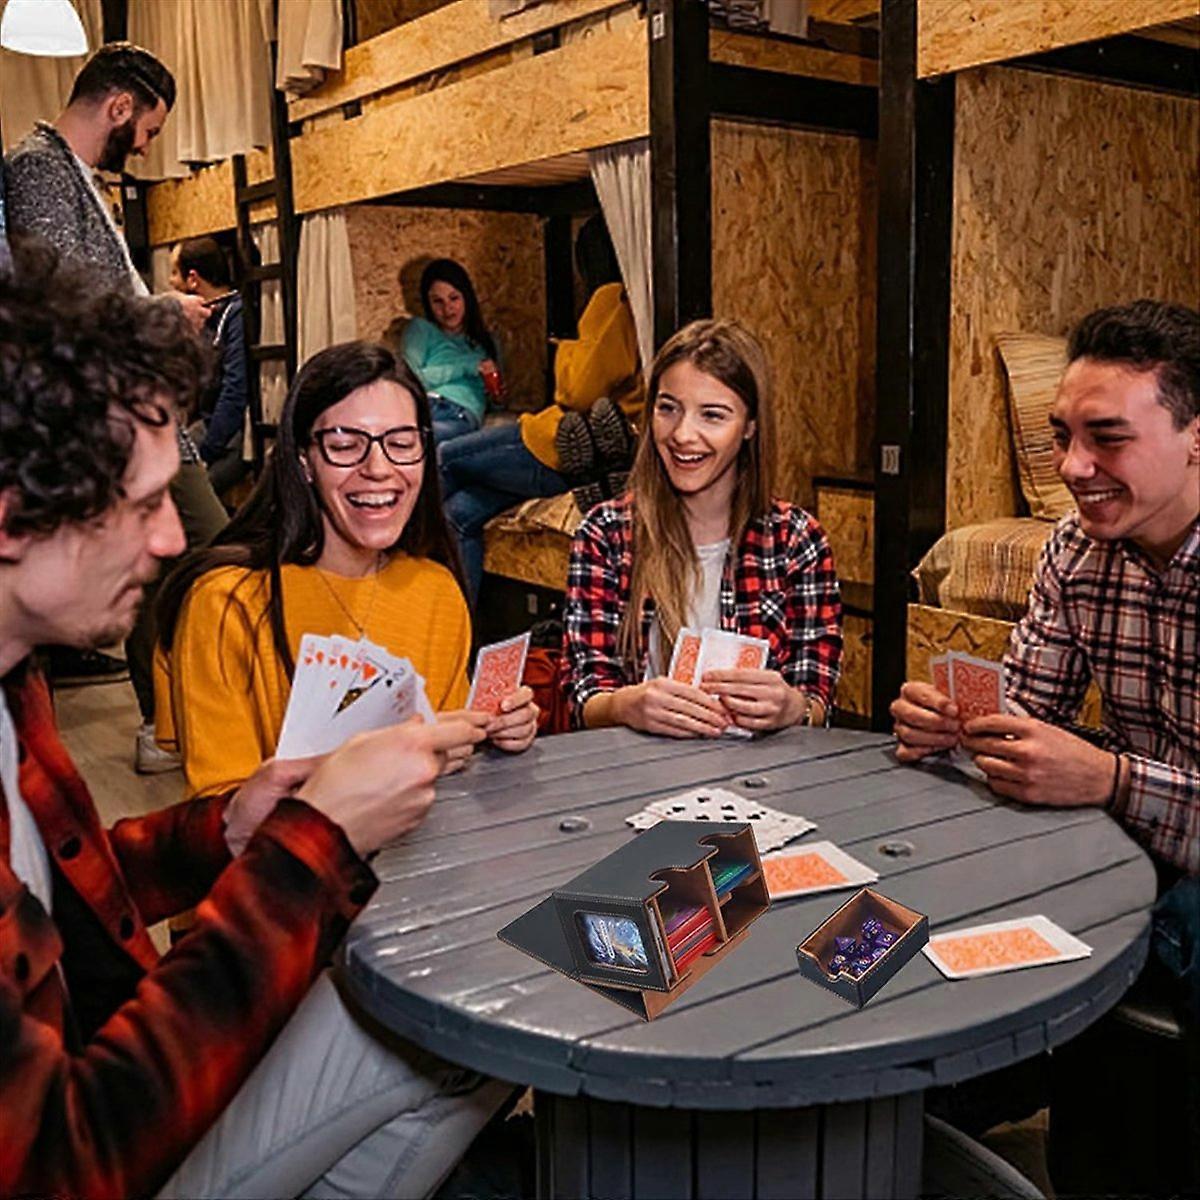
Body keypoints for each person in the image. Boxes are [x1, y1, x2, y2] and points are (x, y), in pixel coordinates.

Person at [0, 248, 508, 1198]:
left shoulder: (17, 691)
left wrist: (224, 828)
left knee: (467, 1025)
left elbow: (71, 888)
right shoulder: (229, 599)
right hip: (110, 1141)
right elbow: (60, 1166)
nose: (167, 539)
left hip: (157, 1019)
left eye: (405, 445)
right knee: (451, 1035)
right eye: (144, 502)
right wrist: (308, 841)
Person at [890, 300, 1199, 1190]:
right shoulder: (1071, 549)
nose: (1072, 468)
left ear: (1195, 437)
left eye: (1106, 438)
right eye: (1064, 435)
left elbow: (1105, 778)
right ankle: (908, 1115)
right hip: (1134, 831)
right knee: (942, 878)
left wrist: (1105, 777)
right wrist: (957, 726)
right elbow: (1024, 706)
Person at [155, 339, 540, 801]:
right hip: (290, 866)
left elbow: (449, 755)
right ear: (304, 461)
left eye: (401, 444)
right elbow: (224, 814)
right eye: (344, 445)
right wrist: (403, 755)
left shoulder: (436, 589)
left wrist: (494, 728)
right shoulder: (226, 602)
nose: (378, 469)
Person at [2, 42, 226, 767]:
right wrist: (161, 310)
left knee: (174, 557)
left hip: (127, 411)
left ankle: (165, 720)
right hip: (104, 416)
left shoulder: (71, 175)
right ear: (121, 105)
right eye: (150, 129)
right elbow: (56, 296)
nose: (147, 144)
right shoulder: (38, 168)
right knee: (208, 550)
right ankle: (168, 718)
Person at [564, 318, 843, 736]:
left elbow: (818, 698)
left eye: (712, 415)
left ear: (750, 427)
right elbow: (584, 696)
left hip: (762, 779)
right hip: (633, 776)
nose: (682, 435)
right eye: (667, 408)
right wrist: (627, 705)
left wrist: (793, 708)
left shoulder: (797, 540)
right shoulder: (604, 533)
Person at [440, 213, 642, 605]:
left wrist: (564, 349)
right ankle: (460, 633)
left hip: (560, 442)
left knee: (444, 457)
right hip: (595, 446)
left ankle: (391, 572)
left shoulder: (612, 298)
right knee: (458, 513)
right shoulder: (645, 302)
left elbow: (578, 388)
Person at [170, 235, 250, 497]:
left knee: (187, 495)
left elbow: (235, 389)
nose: (170, 282)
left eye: (174, 272)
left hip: (231, 433)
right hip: (205, 424)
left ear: (192, 279)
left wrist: (205, 453)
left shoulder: (234, 314)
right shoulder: (201, 321)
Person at [401, 258, 499, 444]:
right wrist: (467, 366)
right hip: (424, 406)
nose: (447, 309)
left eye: (454, 298)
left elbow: (494, 403)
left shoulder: (486, 342)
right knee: (399, 439)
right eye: (437, 301)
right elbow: (410, 381)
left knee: (417, 442)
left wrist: (496, 393)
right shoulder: (420, 329)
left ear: (466, 297)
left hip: (461, 412)